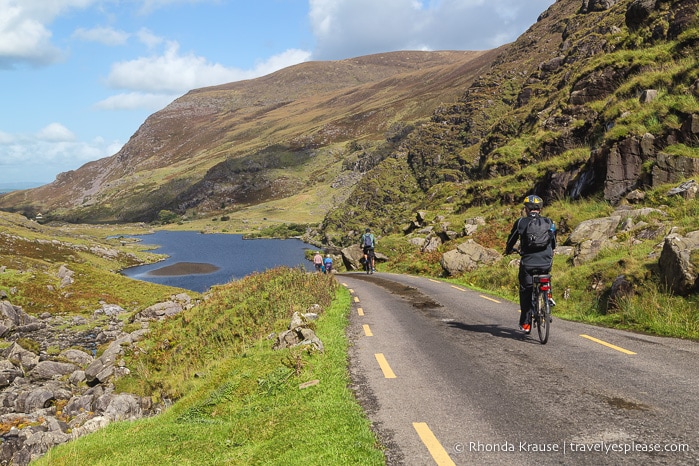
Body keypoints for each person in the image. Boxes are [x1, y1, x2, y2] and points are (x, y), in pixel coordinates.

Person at [505, 195, 556, 334]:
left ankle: (526, 323)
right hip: (546, 261)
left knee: (526, 290)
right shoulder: (549, 221)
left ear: (526, 209)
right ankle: (548, 294)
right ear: (540, 208)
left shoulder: (521, 222)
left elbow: (512, 239)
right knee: (546, 275)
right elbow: (553, 243)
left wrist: (508, 250)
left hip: (528, 263)